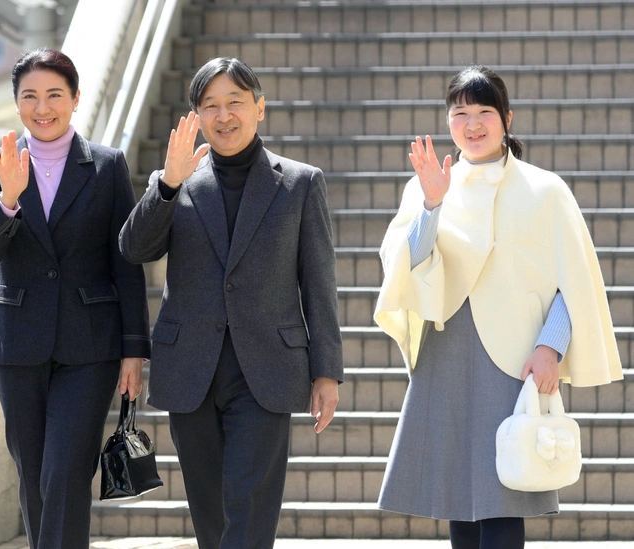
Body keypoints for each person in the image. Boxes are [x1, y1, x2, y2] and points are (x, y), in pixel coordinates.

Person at [373, 65, 622, 549]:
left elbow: (575, 281)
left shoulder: (545, 190)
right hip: (446, 351)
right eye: (460, 113)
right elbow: (407, 265)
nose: (472, 124)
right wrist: (432, 205)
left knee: (505, 497)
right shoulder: (427, 186)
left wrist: (550, 347)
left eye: (484, 112)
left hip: (515, 356)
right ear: (448, 121)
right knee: (459, 497)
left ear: (507, 118)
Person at [119, 57, 344, 549]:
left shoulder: (301, 182)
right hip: (190, 369)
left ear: (259, 107)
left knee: (250, 506)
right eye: (211, 106)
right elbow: (133, 249)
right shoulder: (175, 179)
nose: (224, 116)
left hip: (267, 369)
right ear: (197, 116)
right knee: (210, 511)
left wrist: (326, 371)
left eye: (235, 103)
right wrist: (167, 184)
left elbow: (318, 282)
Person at [0, 48, 149, 549]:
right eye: (30, 96)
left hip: (90, 346)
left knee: (65, 470)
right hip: (16, 343)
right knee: (33, 472)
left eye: (54, 95)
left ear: (75, 98)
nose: (42, 108)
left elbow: (126, 261)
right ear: (16, 102)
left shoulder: (107, 165)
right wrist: (7, 200)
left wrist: (135, 350)